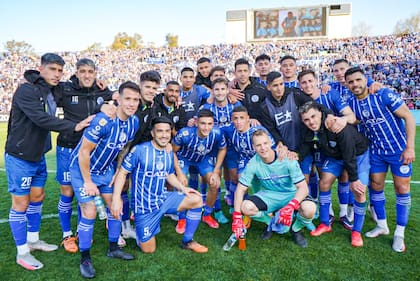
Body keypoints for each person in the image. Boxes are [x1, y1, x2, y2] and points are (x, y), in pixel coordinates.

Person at [5, 53, 93, 270]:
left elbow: (74, 86)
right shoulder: (27, 89)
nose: (57, 74)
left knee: (38, 197)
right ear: (41, 68)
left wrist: (96, 84)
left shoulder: (52, 88)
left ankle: (33, 240)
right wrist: (75, 126)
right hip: (20, 156)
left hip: (38, 156)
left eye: (60, 70)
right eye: (52, 69)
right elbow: (40, 118)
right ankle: (22, 252)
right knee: (20, 204)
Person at [69, 81, 140, 278]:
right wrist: (88, 182)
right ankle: (85, 258)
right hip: (82, 170)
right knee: (90, 211)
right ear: (118, 98)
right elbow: (84, 152)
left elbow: (124, 148)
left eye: (135, 100)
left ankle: (113, 248)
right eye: (128, 98)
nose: (132, 104)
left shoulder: (134, 122)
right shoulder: (103, 120)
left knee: (115, 207)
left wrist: (118, 170)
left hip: (106, 170)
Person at [111, 116, 208, 254]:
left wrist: (183, 188)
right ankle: (141, 232)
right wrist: (116, 198)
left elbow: (169, 174)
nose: (164, 135)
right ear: (153, 133)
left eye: (167, 131)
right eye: (160, 131)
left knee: (196, 200)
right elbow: (122, 173)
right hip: (144, 208)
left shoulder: (168, 152)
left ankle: (188, 241)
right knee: (149, 250)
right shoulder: (139, 150)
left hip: (162, 199)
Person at [345, 67, 415, 252]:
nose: (355, 84)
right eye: (351, 82)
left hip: (398, 150)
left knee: (402, 188)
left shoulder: (382, 94)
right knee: (375, 186)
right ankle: (382, 225)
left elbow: (408, 116)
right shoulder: (352, 104)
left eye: (358, 80)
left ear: (365, 80)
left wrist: (410, 147)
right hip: (376, 152)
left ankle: (399, 233)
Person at [54, 58, 117, 253]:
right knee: (67, 192)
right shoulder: (65, 89)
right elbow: (44, 92)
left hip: (91, 153)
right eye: (83, 71)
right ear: (77, 73)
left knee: (86, 193)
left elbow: (118, 95)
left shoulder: (101, 91)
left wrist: (112, 94)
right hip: (68, 147)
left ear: (96, 73)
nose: (87, 75)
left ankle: (82, 233)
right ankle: (67, 235)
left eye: (90, 71)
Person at [299, 101, 370, 247]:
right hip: (336, 157)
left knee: (359, 191)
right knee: (323, 183)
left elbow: (349, 153)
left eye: (313, 116)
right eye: (306, 119)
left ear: (320, 113)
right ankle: (325, 223)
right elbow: (305, 148)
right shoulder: (309, 130)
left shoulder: (335, 125)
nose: (311, 122)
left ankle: (356, 232)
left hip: (357, 156)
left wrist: (354, 179)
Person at [231, 129, 316, 247]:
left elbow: (303, 188)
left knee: (309, 209)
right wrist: (237, 216)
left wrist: (291, 206)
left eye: (265, 143)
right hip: (269, 195)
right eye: (258, 145)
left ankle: (295, 229)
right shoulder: (253, 164)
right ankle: (271, 223)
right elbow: (240, 189)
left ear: (271, 142)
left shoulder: (287, 159)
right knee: (246, 207)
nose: (263, 148)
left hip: (291, 194)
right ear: (253, 147)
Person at [298, 69, 356, 228]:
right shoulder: (300, 99)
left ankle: (344, 213)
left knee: (343, 175)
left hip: (336, 141)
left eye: (310, 81)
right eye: (304, 82)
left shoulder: (331, 93)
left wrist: (339, 120)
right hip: (316, 145)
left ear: (316, 80)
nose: (308, 84)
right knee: (322, 177)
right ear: (300, 85)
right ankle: (328, 212)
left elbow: (351, 117)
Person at [173, 109, 227, 230]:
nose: (206, 127)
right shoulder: (184, 134)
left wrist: (217, 170)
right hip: (184, 158)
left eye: (209, 124)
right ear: (196, 122)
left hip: (203, 160)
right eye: (203, 123)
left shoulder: (217, 133)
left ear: (213, 124)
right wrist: (179, 172)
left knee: (214, 183)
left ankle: (207, 215)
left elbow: (222, 149)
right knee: (181, 183)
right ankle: (181, 218)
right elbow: (173, 151)